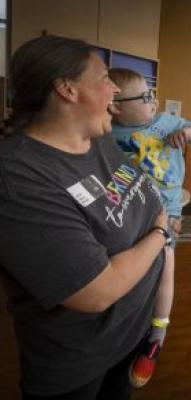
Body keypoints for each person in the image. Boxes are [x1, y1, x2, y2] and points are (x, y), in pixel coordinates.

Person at [0, 36, 170, 399]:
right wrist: (160, 233)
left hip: (130, 333)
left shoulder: (99, 139)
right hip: (78, 362)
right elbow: (96, 291)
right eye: (105, 77)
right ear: (66, 88)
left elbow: (140, 194)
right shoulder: (17, 177)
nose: (114, 89)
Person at [107, 68, 191, 387]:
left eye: (153, 94)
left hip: (168, 210)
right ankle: (119, 331)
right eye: (145, 97)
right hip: (130, 212)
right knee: (127, 269)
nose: (154, 101)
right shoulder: (108, 133)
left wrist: (187, 135)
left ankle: (156, 337)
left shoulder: (165, 122)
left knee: (166, 273)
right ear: (116, 107)